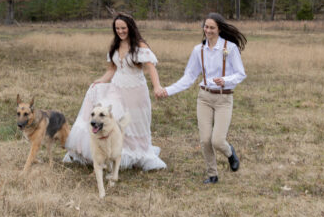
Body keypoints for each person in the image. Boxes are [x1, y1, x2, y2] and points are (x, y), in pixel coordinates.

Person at [64, 14, 167, 171]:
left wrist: (157, 86)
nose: (120, 31)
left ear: (130, 28)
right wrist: (100, 81)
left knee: (133, 125)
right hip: (116, 89)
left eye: (123, 28)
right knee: (106, 116)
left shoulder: (139, 46)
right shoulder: (115, 45)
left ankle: (134, 153)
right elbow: (112, 69)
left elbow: (151, 67)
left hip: (135, 92)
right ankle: (94, 151)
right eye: (117, 28)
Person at [154, 13, 247, 184]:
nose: (208, 30)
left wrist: (225, 80)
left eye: (212, 27)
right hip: (204, 97)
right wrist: (168, 90)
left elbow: (241, 74)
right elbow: (189, 77)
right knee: (205, 140)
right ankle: (212, 175)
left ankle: (229, 152)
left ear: (219, 29)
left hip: (223, 99)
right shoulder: (199, 50)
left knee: (217, 140)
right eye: (206, 27)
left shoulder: (230, 48)